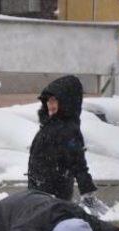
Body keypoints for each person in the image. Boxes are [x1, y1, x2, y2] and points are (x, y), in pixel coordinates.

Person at [27, 75, 108, 216]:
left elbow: (78, 162)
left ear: (66, 102)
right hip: (39, 192)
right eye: (48, 101)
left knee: (50, 229)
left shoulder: (68, 130)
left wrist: (87, 191)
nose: (50, 105)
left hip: (54, 194)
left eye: (54, 101)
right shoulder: (49, 126)